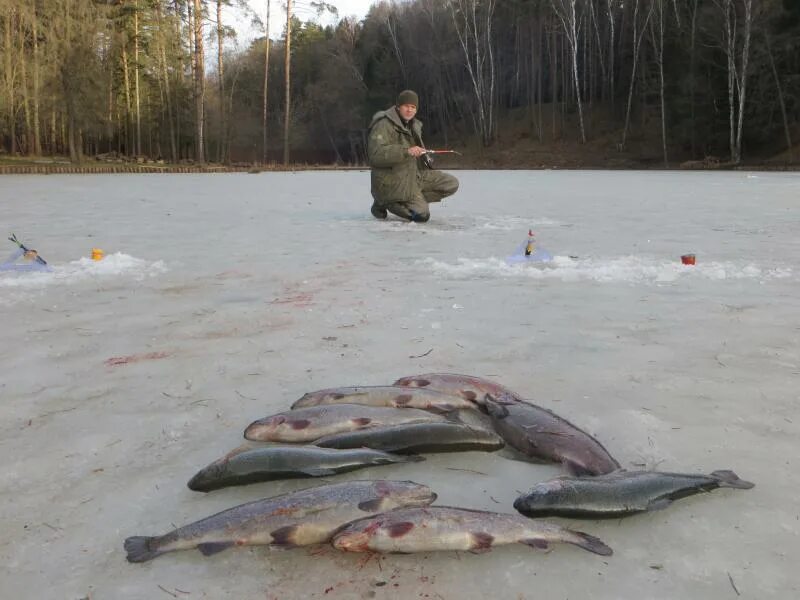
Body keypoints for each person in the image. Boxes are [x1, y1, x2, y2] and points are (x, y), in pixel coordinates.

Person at [367, 90, 459, 222]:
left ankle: (407, 199)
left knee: (451, 183)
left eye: (413, 107)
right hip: (392, 182)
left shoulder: (414, 125)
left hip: (414, 177)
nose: (409, 110)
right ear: (398, 107)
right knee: (421, 216)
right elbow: (375, 155)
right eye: (406, 106)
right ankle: (385, 201)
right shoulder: (383, 125)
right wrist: (406, 151)